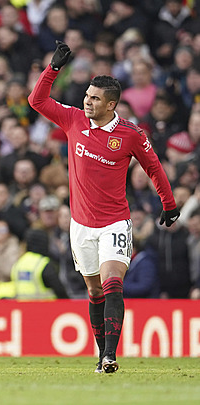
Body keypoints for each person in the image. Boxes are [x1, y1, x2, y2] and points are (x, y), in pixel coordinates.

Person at [28, 41, 180, 374]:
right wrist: (53, 67)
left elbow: (154, 167)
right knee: (94, 290)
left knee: (112, 283)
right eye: (86, 96)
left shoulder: (130, 134)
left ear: (111, 104)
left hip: (115, 222)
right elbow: (36, 101)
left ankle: (110, 355)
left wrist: (168, 204)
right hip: (81, 225)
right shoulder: (73, 120)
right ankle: (101, 354)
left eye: (95, 98)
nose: (87, 101)